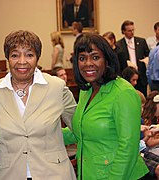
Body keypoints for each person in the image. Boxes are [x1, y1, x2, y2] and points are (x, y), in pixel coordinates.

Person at [0, 30, 77, 180]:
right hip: (8, 175)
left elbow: (80, 127)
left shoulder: (56, 88)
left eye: (29, 55)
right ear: (7, 58)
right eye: (15, 55)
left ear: (37, 58)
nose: (22, 61)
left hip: (54, 174)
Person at [63, 33, 148, 179]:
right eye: (82, 58)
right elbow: (81, 129)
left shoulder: (123, 92)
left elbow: (128, 148)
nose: (88, 63)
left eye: (95, 57)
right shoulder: (87, 90)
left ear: (107, 60)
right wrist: (44, 133)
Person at [116, 20, 150, 96]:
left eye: (133, 30)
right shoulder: (119, 45)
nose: (132, 32)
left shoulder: (141, 41)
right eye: (129, 30)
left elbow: (148, 55)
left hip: (141, 76)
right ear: (123, 31)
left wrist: (146, 59)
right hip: (127, 77)